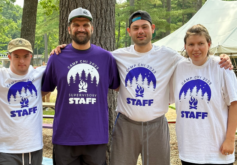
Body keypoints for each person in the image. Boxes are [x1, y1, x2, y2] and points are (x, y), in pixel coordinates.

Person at [51, 10, 233, 165]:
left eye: (144, 27)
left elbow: (196, 60)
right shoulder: (116, 56)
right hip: (126, 124)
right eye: (136, 28)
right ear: (129, 31)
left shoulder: (169, 56)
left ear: (152, 29)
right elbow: (89, 55)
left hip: (156, 125)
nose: (140, 31)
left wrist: (221, 59)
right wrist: (64, 49)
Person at [41, 7, 120, 165]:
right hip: (64, 137)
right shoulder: (56, 58)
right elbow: (43, 90)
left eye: (85, 24)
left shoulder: (106, 58)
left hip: (96, 137)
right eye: (76, 25)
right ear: (69, 29)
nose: (81, 28)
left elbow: (118, 87)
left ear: (92, 28)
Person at [169, 24, 237, 165]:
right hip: (189, 150)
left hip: (217, 150)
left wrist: (230, 139)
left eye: (201, 43)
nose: (196, 49)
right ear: (185, 46)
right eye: (191, 44)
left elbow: (234, 103)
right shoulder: (179, 68)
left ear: (209, 44)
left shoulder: (222, 66)